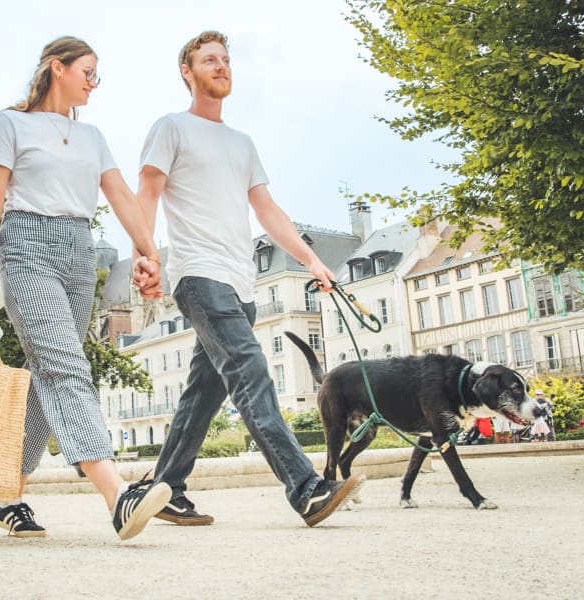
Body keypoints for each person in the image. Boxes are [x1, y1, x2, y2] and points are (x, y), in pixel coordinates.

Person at [129, 31, 365, 528]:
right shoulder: (171, 127)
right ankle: (305, 489)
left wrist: (311, 261)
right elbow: (146, 194)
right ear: (187, 72)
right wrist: (145, 256)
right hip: (198, 276)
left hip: (240, 287)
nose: (221, 66)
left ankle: (163, 488)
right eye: (209, 59)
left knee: (201, 396)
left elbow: (267, 210)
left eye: (226, 59)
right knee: (252, 376)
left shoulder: (242, 143)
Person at [0, 36, 170, 541]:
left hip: (79, 254)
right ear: (57, 68)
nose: (93, 83)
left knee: (47, 377)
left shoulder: (92, 135)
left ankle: (8, 495)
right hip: (27, 247)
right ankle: (118, 495)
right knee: (66, 366)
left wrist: (149, 255)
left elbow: (121, 195)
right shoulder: (10, 123)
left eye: (97, 75)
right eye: (87, 72)